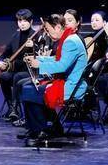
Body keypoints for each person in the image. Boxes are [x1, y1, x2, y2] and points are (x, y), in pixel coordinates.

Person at [18, 14, 88, 145]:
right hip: (67, 82)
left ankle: (39, 131)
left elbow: (62, 66)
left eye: (48, 30)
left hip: (72, 86)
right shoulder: (68, 38)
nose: (48, 34)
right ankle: (45, 128)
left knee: (30, 91)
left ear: (57, 27)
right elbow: (58, 59)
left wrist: (39, 65)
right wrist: (38, 59)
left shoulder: (71, 41)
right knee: (29, 88)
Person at [0, 9, 35, 122]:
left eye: (25, 21)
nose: (22, 23)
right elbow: (4, 54)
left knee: (17, 77)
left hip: (30, 73)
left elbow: (41, 56)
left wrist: (34, 47)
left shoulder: (36, 36)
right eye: (19, 21)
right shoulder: (16, 36)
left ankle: (14, 109)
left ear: (31, 22)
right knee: (4, 77)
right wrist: (0, 62)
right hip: (16, 72)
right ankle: (12, 108)